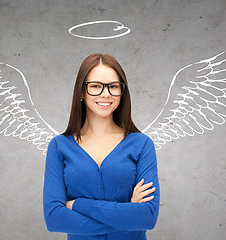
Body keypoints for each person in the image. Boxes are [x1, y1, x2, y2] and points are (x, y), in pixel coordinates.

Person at [43, 53, 160, 240]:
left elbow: (147, 217)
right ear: (81, 91)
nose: (105, 94)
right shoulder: (59, 147)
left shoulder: (142, 144)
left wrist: (77, 205)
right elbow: (54, 219)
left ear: (122, 92)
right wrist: (127, 214)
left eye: (113, 86)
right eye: (96, 86)